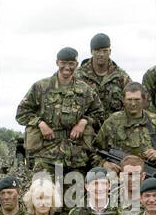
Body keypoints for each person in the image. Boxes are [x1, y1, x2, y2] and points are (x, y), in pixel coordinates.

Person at [15, 47, 104, 178]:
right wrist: (40, 123)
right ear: (57, 63)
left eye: (71, 64)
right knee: (43, 196)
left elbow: (99, 114)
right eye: (63, 63)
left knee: (74, 198)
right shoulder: (41, 87)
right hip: (46, 155)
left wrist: (84, 122)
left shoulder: (86, 90)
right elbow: (21, 113)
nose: (67, 67)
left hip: (75, 157)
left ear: (77, 65)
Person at [95, 82, 156, 170]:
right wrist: (104, 164)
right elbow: (94, 151)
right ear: (123, 99)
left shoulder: (155, 121)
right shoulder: (112, 122)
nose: (133, 104)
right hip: (120, 175)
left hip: (149, 174)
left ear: (144, 99)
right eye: (129, 99)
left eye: (137, 99)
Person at [76, 32, 132, 116]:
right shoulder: (78, 76)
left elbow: (132, 102)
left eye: (105, 51)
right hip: (88, 124)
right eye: (97, 51)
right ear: (91, 51)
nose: (101, 54)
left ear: (110, 51)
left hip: (114, 125)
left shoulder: (121, 77)